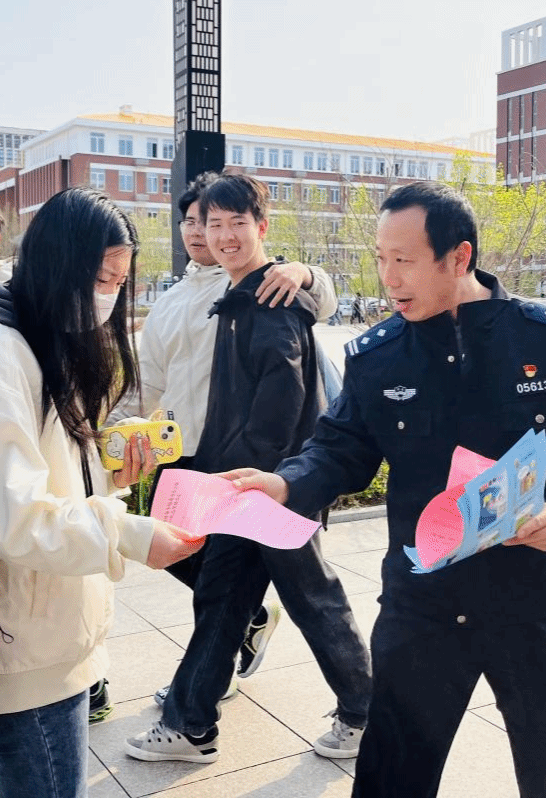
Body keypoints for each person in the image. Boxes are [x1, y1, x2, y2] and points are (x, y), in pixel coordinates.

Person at [221, 181, 546, 797]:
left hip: (531, 604)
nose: (389, 278)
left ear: (459, 257)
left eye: (405, 260)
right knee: (392, 778)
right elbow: (338, 448)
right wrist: (285, 483)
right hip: (422, 606)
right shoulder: (379, 357)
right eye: (381, 259)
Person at [0, 187, 202, 798]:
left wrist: (108, 471)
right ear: (60, 265)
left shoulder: (40, 334)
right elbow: (6, 514)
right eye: (101, 279)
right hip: (23, 641)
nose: (108, 295)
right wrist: (131, 534)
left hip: (51, 626)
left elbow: (44, 470)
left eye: (119, 282)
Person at [124, 173, 372, 765]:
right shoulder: (237, 297)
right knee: (226, 597)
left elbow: (282, 397)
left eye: (237, 223)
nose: (224, 235)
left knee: (309, 597)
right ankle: (191, 723)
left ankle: (366, 713)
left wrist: (255, 480)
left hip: (269, 485)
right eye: (214, 224)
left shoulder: (270, 300)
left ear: (261, 227)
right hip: (247, 482)